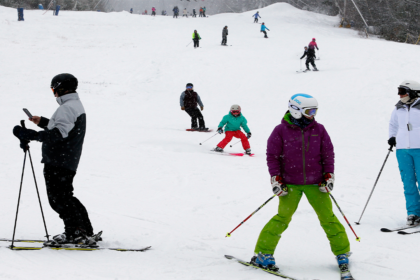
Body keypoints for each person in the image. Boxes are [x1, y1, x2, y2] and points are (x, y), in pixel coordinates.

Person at [251, 94, 352, 279]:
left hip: (316, 183)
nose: (312, 115)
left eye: (315, 111)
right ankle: (263, 253)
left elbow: (328, 154)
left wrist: (329, 175)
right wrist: (276, 178)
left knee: (328, 218)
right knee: (282, 218)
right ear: (295, 110)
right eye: (309, 111)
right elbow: (272, 156)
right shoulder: (280, 130)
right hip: (290, 184)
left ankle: (342, 252)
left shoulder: (319, 130)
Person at [12, 73, 98, 246]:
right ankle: (84, 230)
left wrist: (33, 135)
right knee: (66, 196)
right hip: (66, 159)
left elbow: (58, 134)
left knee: (59, 199)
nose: (54, 93)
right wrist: (43, 122)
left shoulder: (67, 108)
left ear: (60, 88)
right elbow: (64, 127)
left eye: (53, 89)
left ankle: (75, 233)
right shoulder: (73, 105)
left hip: (59, 160)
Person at [389, 80, 420, 226]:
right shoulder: (398, 108)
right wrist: (392, 137)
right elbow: (393, 124)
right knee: (408, 182)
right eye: (399, 91)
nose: (399, 95)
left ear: (414, 92)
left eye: (403, 91)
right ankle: (413, 213)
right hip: (402, 150)